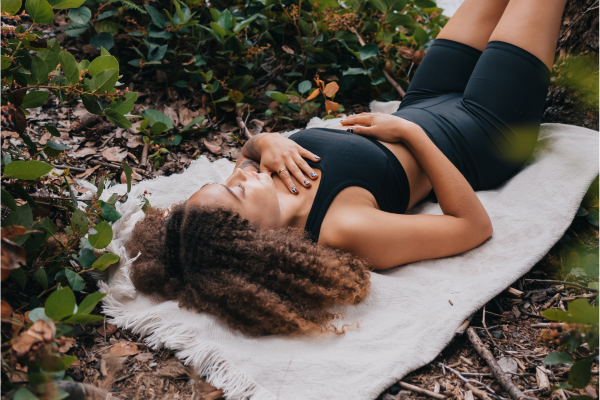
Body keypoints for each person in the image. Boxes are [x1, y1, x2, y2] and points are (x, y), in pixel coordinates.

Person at [128, 0, 566, 335]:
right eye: (237, 190)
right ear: (253, 239)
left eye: (228, 179)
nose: (241, 174)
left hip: (424, 98)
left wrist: (265, 141)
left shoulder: (262, 182)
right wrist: (413, 136)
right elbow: (472, 227)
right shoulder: (343, 227)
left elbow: (246, 155)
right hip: (484, 129)